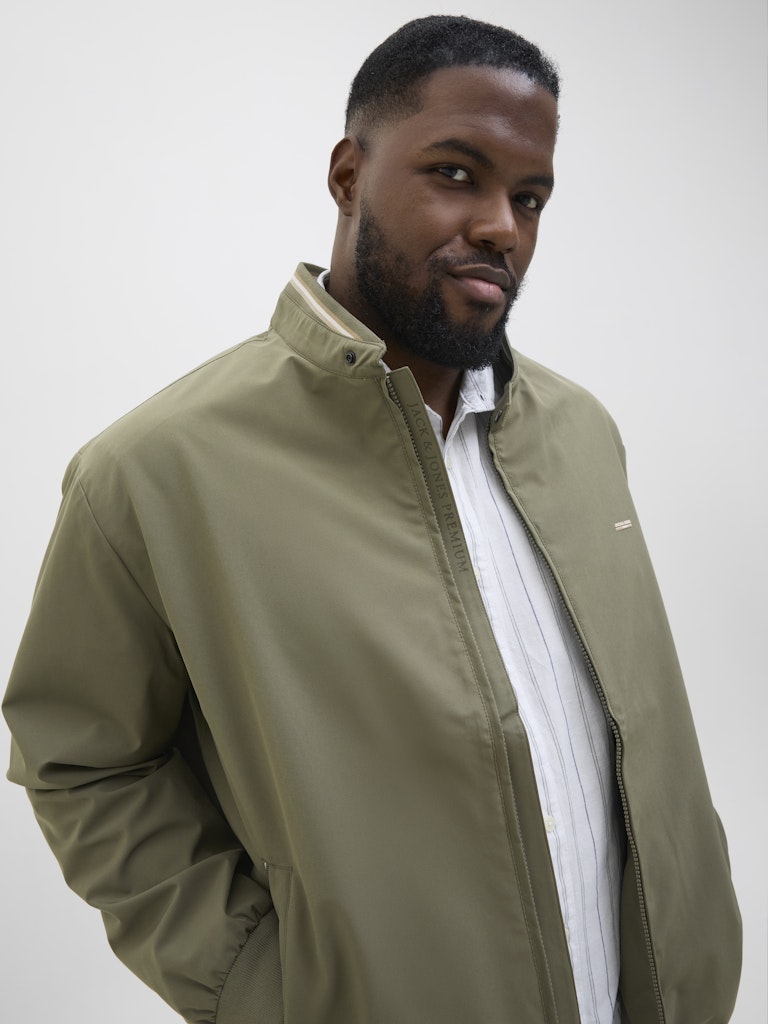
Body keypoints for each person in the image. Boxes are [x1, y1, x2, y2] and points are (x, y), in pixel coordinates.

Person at [2, 15, 741, 1024]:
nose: (502, 226)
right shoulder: (156, 472)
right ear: (349, 175)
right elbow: (80, 758)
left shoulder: (579, 433)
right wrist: (258, 981)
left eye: (530, 197)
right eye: (455, 174)